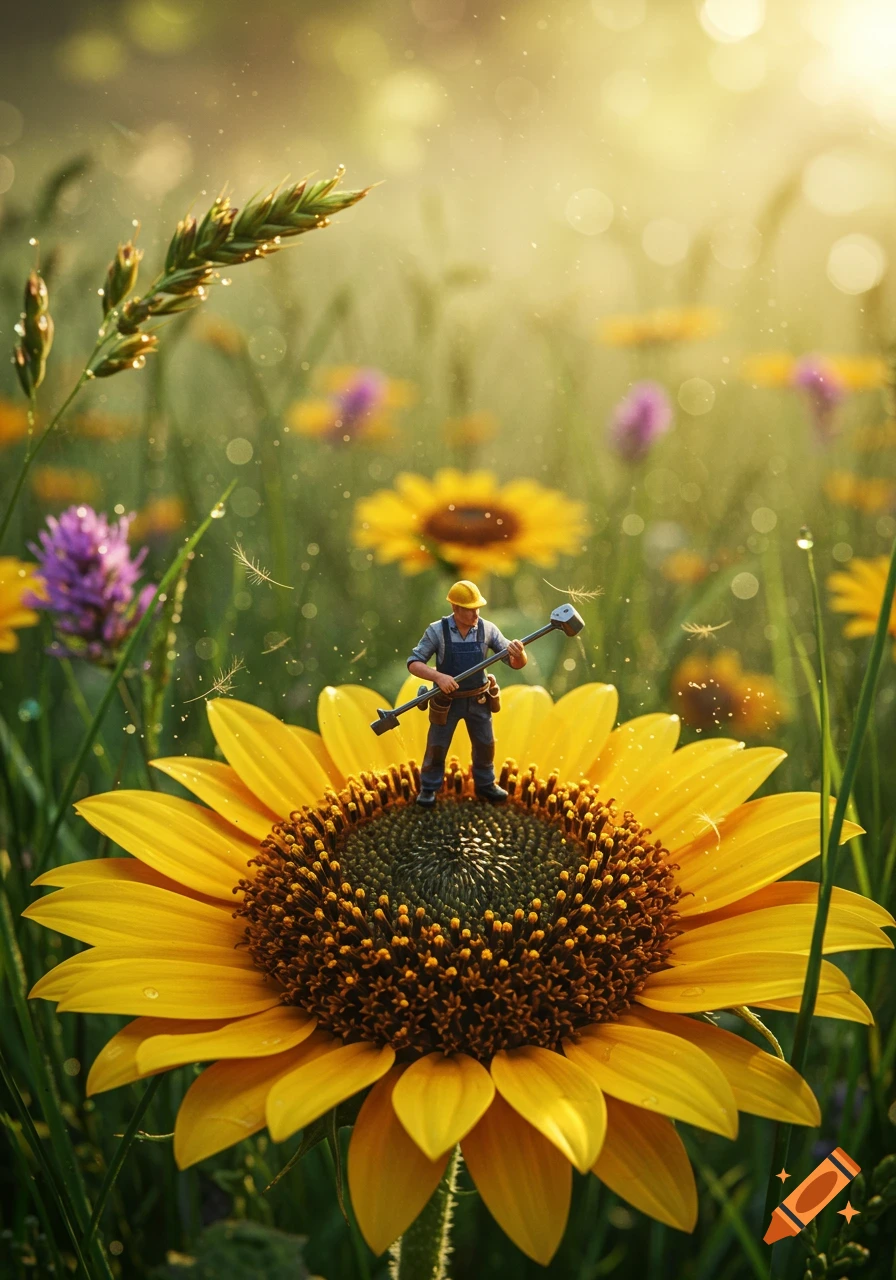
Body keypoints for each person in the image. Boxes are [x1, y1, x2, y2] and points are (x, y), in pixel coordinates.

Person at [406, 580, 527, 807]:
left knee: (485, 744)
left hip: (479, 699)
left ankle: (485, 784)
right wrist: (438, 677)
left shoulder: (488, 629)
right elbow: (413, 662)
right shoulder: (436, 631)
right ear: (455, 608)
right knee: (437, 746)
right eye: (470, 609)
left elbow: (514, 663)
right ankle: (429, 788)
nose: (475, 614)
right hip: (447, 702)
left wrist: (519, 654)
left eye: (477, 608)